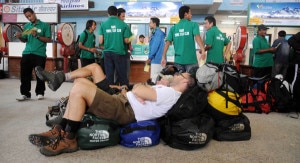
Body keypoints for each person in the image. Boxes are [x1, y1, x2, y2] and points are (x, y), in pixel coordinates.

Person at [30, 66, 195, 156]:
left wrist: (139, 89)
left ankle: (69, 139)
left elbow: (138, 89)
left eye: (183, 74)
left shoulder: (170, 93)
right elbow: (138, 90)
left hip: (124, 110)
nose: (179, 75)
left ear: (186, 82)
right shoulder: (168, 91)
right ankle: (59, 130)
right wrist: (139, 90)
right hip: (123, 101)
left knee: (80, 88)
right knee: (80, 81)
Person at [15, 8, 51, 101]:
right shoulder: (27, 26)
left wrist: (37, 36)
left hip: (39, 53)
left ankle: (40, 93)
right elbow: (25, 40)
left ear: (34, 13)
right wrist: (20, 37)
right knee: (24, 74)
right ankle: (25, 94)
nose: (29, 18)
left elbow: (48, 39)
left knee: (39, 74)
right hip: (27, 53)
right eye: (27, 17)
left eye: (30, 16)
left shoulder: (44, 25)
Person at [161, 5, 205, 73]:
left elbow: (167, 43)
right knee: (193, 81)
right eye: (190, 13)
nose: (191, 15)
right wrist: (203, 50)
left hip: (178, 61)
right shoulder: (193, 25)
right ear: (185, 14)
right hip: (191, 60)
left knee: (179, 82)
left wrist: (163, 57)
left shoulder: (174, 28)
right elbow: (197, 37)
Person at [99, 6, 132, 86]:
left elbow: (100, 41)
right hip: (119, 52)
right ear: (117, 13)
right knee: (122, 75)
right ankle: (124, 94)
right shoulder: (123, 25)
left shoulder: (103, 25)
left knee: (109, 76)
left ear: (108, 14)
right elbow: (126, 40)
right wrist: (133, 37)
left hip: (107, 53)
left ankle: (110, 94)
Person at [145, 17, 165, 83]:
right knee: (159, 79)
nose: (149, 24)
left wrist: (150, 58)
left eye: (150, 22)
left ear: (154, 24)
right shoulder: (156, 33)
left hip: (157, 59)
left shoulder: (157, 33)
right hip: (158, 59)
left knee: (155, 80)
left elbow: (154, 47)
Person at [117, 8, 133, 83]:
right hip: (123, 53)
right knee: (125, 73)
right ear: (118, 16)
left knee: (115, 73)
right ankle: (125, 87)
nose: (124, 18)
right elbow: (126, 40)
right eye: (123, 16)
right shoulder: (125, 26)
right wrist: (133, 37)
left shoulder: (110, 26)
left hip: (112, 53)